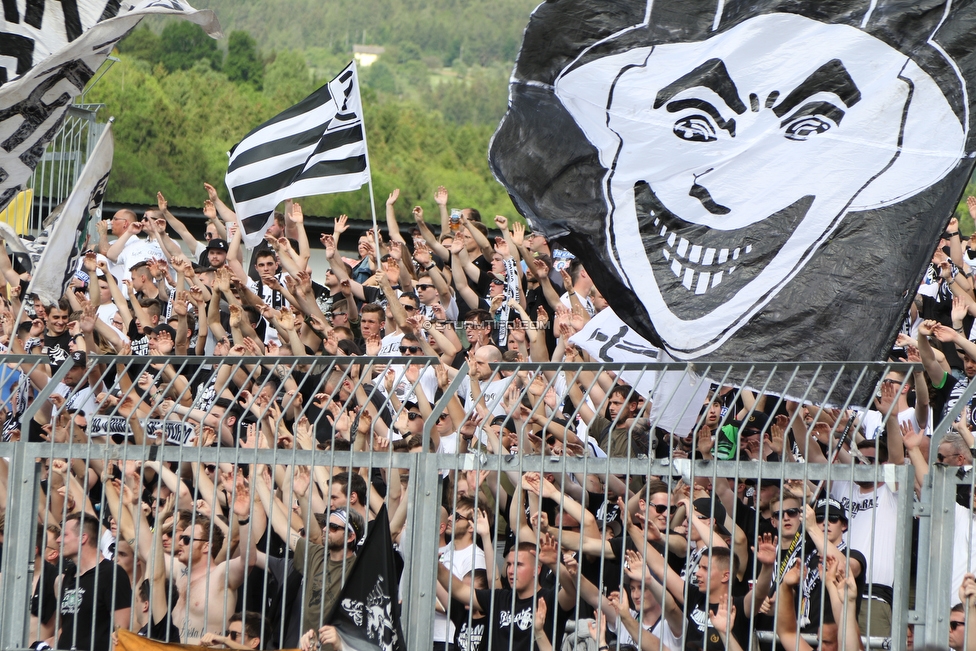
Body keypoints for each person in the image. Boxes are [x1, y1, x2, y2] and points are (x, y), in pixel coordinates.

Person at [55, 512, 132, 651]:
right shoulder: (69, 575)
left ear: (83, 538)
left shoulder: (112, 574)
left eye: (64, 535)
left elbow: (122, 633)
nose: (58, 540)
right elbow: (65, 629)